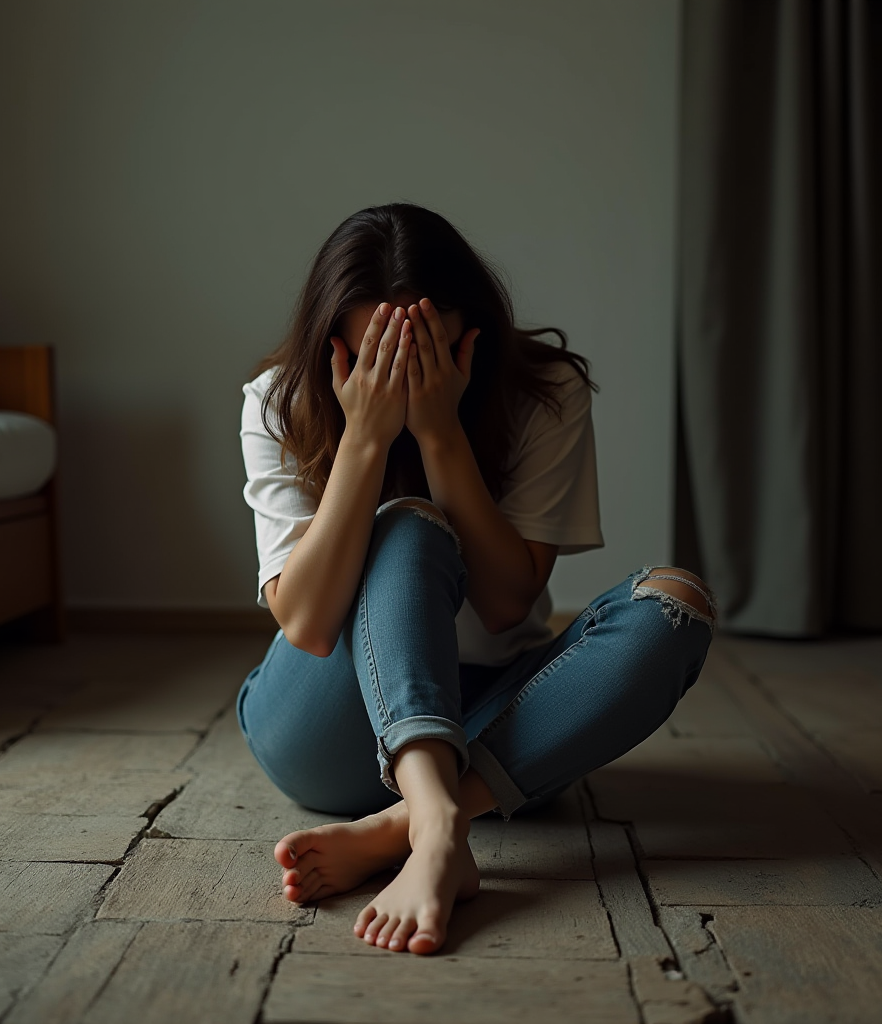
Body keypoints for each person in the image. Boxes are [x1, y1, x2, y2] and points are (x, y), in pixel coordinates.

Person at [236, 202, 717, 957]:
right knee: (404, 524)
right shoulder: (279, 400)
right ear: (332, 347)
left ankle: (416, 824)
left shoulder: (545, 393)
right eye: (374, 357)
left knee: (675, 606)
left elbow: (503, 605)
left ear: (473, 336)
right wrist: (364, 440)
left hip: (485, 717)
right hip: (322, 722)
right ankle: (438, 822)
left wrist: (440, 433)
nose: (397, 373)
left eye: (421, 351)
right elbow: (308, 625)